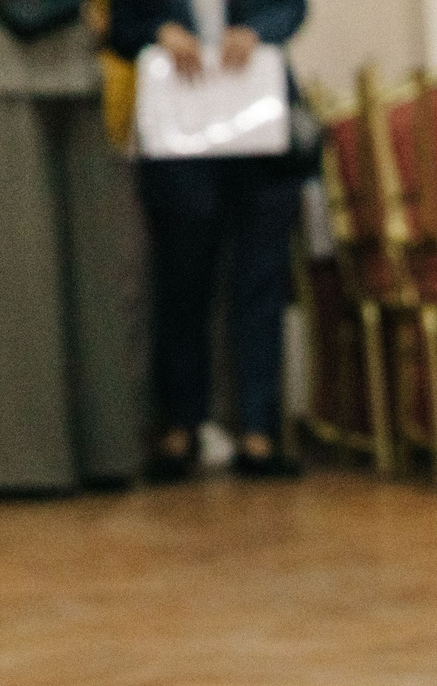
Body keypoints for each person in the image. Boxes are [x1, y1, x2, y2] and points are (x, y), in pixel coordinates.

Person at [0, 0, 148, 496]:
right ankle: (37, 459)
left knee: (89, 270)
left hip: (79, 59)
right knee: (15, 267)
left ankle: (96, 449)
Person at [110, 0, 308, 480]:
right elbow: (121, 27)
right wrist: (161, 31)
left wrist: (255, 32)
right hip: (179, 131)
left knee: (261, 285)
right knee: (181, 285)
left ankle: (258, 428)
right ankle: (181, 424)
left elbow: (293, 9)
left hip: (260, 136)